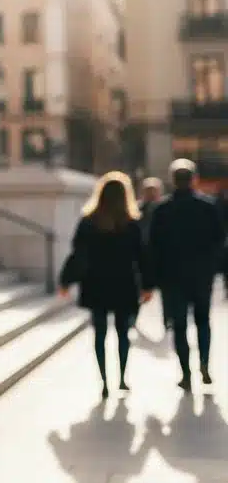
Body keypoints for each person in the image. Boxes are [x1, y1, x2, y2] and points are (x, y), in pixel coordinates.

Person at [58, 171, 155, 399]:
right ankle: (121, 378)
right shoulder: (131, 223)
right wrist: (148, 285)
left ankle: (104, 381)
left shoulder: (88, 222)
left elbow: (78, 255)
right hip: (124, 284)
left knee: (99, 333)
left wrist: (66, 280)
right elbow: (143, 256)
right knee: (123, 333)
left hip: (96, 284)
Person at [148, 158, 225, 391]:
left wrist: (152, 279)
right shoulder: (209, 206)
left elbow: (153, 245)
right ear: (194, 179)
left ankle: (186, 372)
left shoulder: (161, 209)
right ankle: (204, 363)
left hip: (172, 277)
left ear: (172, 180)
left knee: (179, 325)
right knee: (203, 321)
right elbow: (219, 240)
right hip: (202, 274)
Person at [138, 176, 168, 330]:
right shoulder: (137, 209)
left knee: (166, 291)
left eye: (154, 191)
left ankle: (167, 319)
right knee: (139, 288)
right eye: (149, 191)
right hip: (142, 254)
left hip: (161, 256)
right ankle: (133, 315)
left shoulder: (166, 208)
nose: (151, 194)